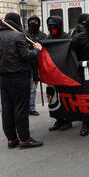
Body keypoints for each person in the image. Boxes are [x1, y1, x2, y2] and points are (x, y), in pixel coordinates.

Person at [0, 13, 43, 149]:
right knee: (20, 109)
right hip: (19, 77)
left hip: (3, 78)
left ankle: (12, 139)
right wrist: (37, 50)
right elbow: (26, 56)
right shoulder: (18, 35)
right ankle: (24, 139)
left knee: (7, 109)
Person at [47, 16, 73, 132]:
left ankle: (67, 120)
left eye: (54, 25)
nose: (52, 28)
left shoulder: (66, 37)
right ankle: (57, 119)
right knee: (53, 97)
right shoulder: (48, 38)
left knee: (64, 98)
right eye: (50, 25)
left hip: (63, 73)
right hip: (51, 74)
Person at [25, 16, 47, 116]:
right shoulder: (24, 34)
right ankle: (25, 107)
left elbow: (46, 49)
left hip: (37, 65)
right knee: (25, 88)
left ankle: (31, 107)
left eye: (35, 21)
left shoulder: (43, 35)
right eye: (31, 21)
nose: (33, 23)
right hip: (25, 65)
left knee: (33, 88)